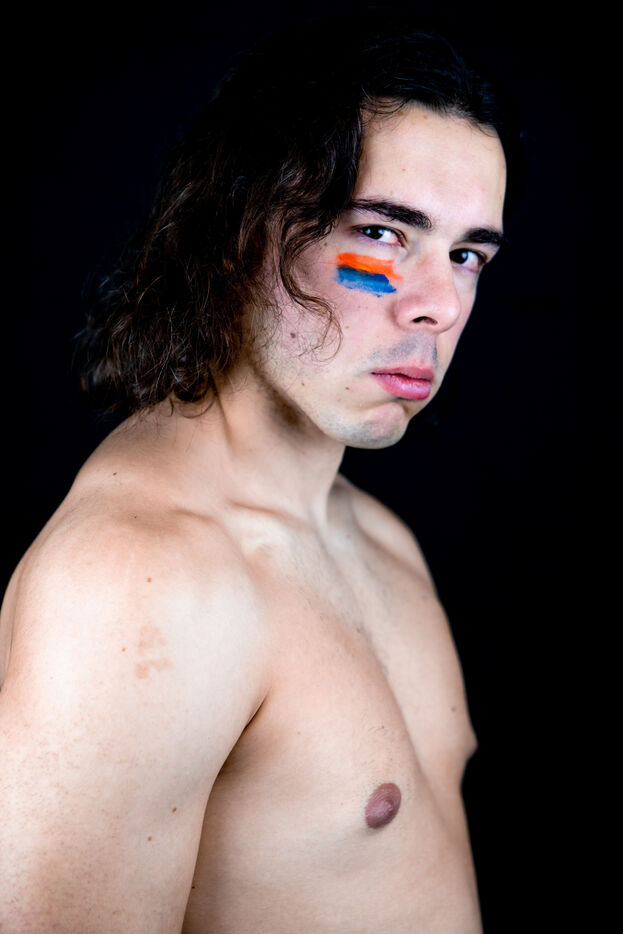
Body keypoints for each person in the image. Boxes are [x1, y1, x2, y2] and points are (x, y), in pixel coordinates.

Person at [0, 10, 518, 932]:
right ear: (240, 228)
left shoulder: (375, 536)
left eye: (466, 254)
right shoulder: (139, 584)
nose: (439, 305)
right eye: (382, 234)